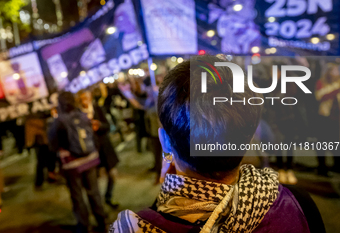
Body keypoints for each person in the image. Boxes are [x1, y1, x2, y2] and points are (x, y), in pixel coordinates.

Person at [110, 55, 324, 233]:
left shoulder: (134, 228)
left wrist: (166, 197)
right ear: (250, 136)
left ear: (164, 141)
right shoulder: (299, 205)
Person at [48, 92, 106, 233]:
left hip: (72, 164)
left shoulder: (59, 120)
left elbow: (52, 145)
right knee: (94, 192)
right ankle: (101, 222)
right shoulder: (83, 115)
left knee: (77, 195)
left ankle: (83, 225)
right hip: (90, 159)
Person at [77, 89, 119, 208]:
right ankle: (98, 205)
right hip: (91, 150)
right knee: (93, 181)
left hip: (105, 148)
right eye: (83, 98)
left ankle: (108, 197)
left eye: (88, 97)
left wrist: (99, 125)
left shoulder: (97, 109)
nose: (86, 100)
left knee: (112, 175)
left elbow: (107, 126)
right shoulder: (78, 113)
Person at [315, 63, 340, 175]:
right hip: (324, 116)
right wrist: (335, 88)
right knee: (322, 142)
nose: (334, 72)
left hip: (337, 118)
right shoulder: (322, 82)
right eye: (332, 70)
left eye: (335, 70)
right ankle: (322, 167)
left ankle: (337, 165)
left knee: (336, 143)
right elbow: (320, 96)